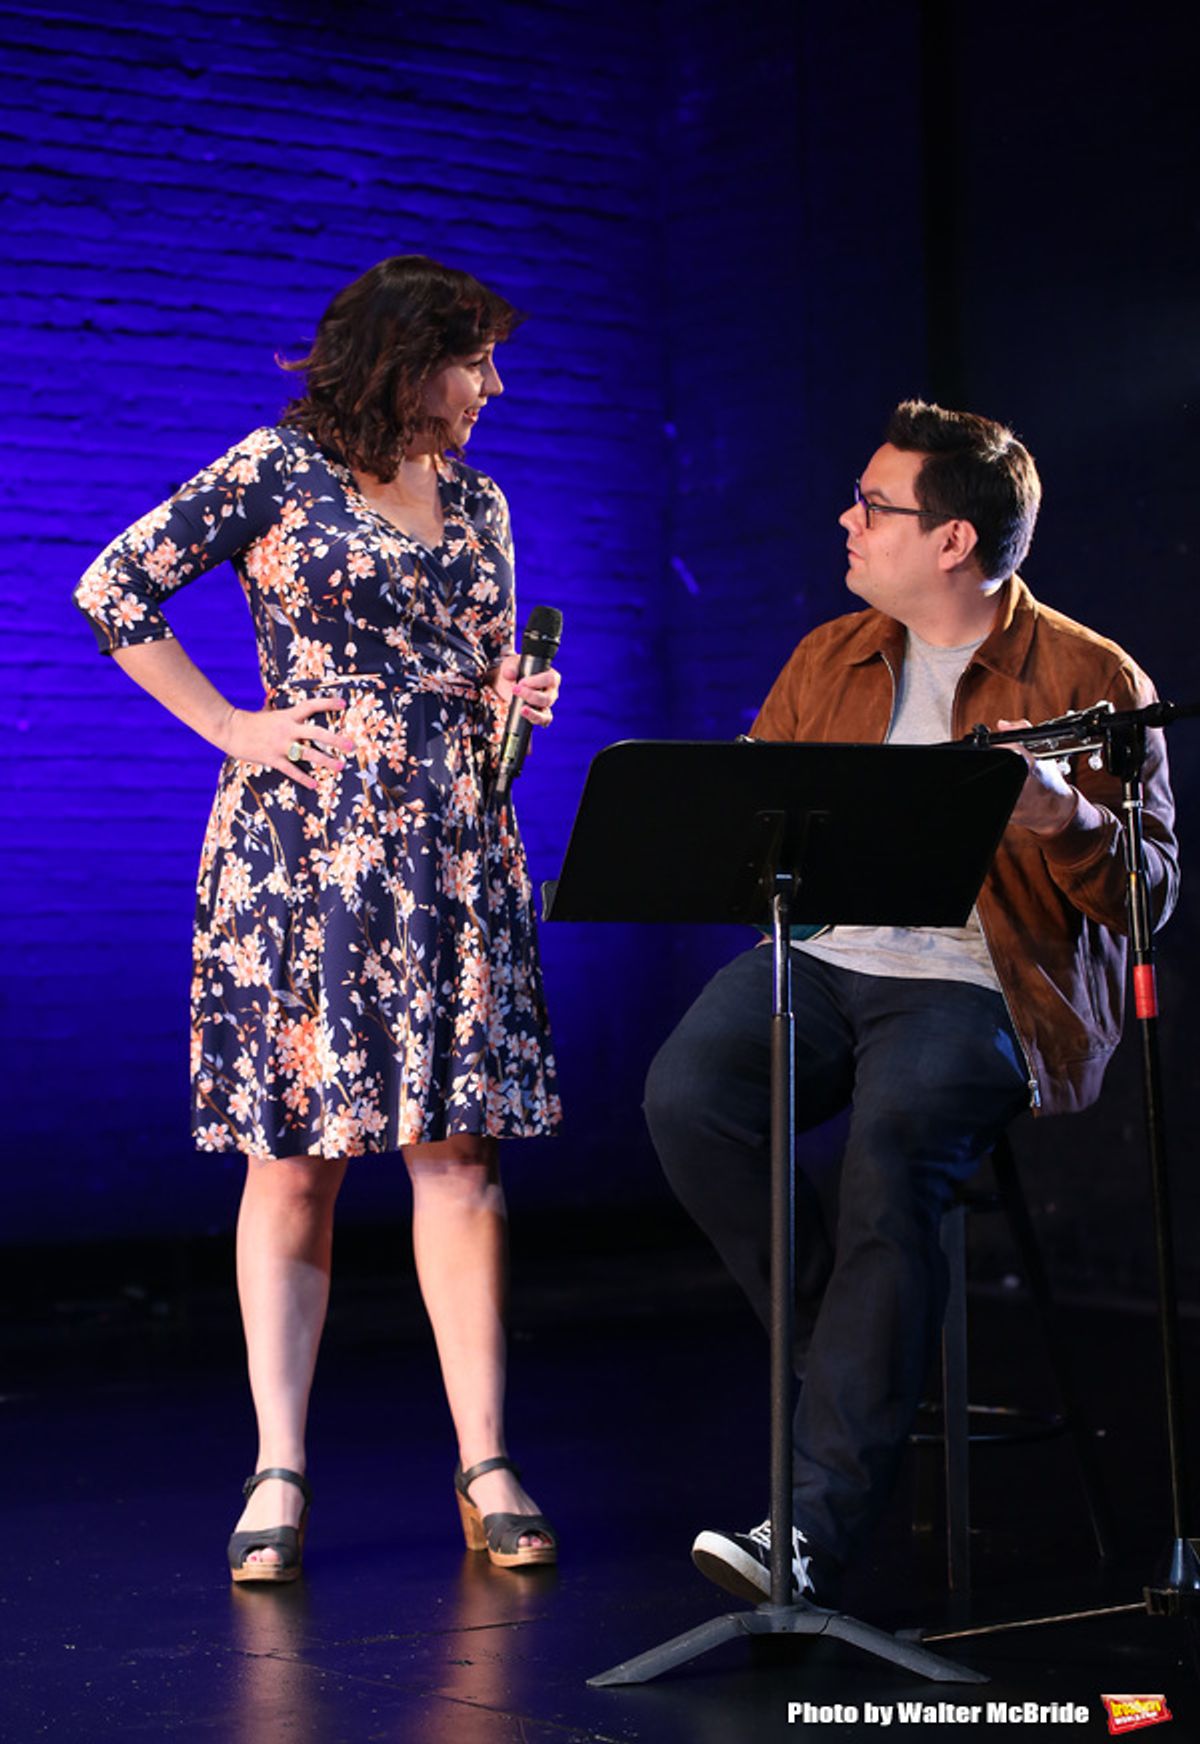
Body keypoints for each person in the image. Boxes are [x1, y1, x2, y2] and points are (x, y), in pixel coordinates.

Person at [74, 255, 563, 1582]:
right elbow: (114, 590)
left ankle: (486, 1461)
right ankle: (278, 1468)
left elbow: (475, 658)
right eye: (475, 360)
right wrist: (231, 726)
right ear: (407, 359)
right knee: (295, 1158)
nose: (493, 387)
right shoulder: (274, 471)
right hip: (307, 861)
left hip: (455, 851)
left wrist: (510, 700)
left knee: (458, 1159)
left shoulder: (481, 500)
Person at [644, 400, 1178, 1606]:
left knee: (891, 1147)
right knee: (689, 1094)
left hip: (987, 982)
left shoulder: (1091, 674)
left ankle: (812, 1526)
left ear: (950, 540)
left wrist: (1067, 815)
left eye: (874, 505)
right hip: (831, 961)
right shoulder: (829, 654)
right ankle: (855, 1360)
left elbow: (1152, 895)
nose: (848, 517)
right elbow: (750, 834)